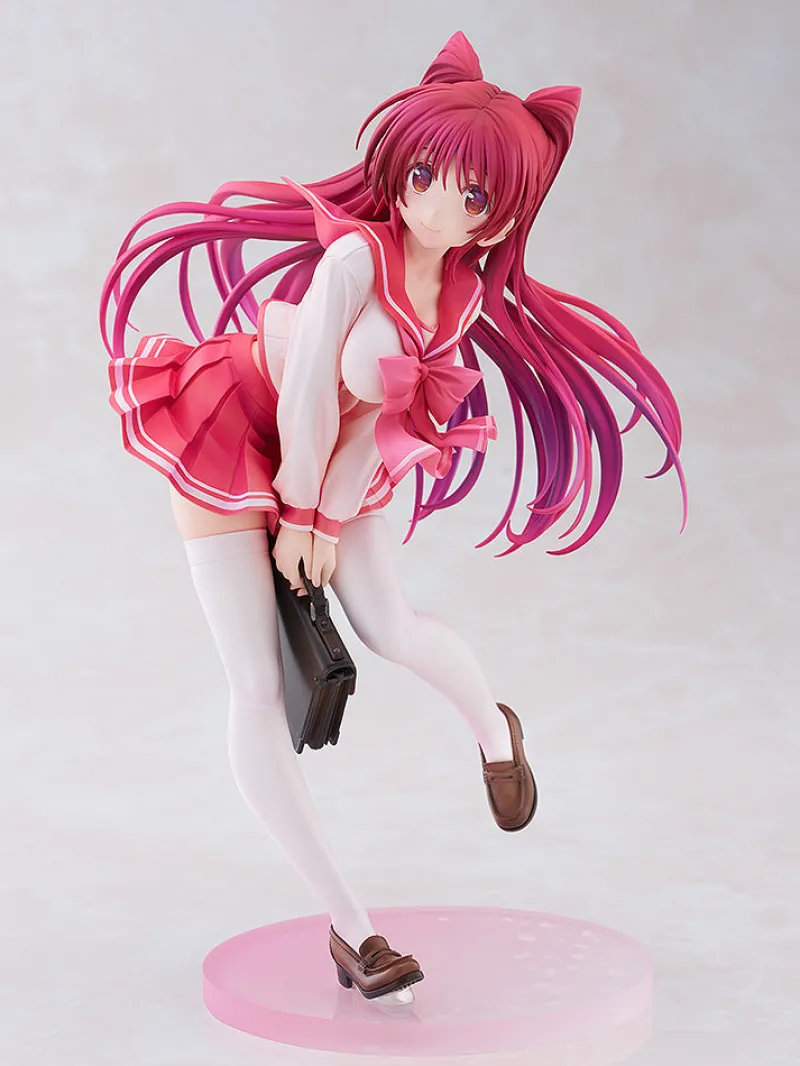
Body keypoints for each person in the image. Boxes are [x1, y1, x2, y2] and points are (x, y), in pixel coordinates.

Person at [101, 32, 686, 1005]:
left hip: (337, 460)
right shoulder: (352, 260)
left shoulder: (458, 297)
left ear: (501, 217)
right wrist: (297, 513)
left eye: (473, 196)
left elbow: (379, 425)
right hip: (237, 422)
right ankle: (353, 929)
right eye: (423, 176)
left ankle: (494, 730)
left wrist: (324, 523)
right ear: (398, 169)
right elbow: (306, 396)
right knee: (257, 687)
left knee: (391, 628)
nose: (437, 206)